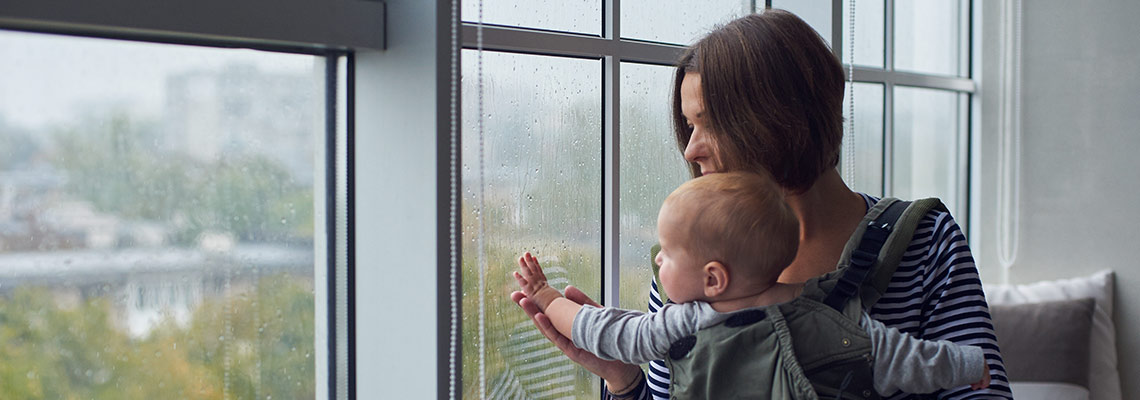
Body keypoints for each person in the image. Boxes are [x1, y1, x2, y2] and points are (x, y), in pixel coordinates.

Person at [511, 9, 1012, 400]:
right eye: (688, 127)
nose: (691, 149)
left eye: (710, 124)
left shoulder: (925, 242)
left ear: (779, 119)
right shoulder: (691, 258)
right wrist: (622, 379)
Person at [513, 172, 991, 398]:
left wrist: (548, 297)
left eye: (666, 253)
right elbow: (902, 358)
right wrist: (969, 363)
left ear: (714, 277)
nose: (657, 259)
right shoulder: (824, 319)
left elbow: (603, 329)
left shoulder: (686, 319)